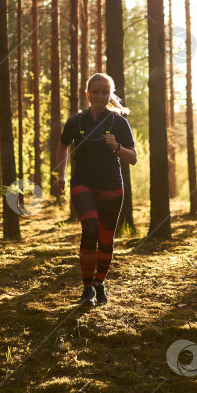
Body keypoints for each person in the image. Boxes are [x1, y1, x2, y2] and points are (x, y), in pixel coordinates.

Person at [53, 73, 138, 306]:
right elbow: (62, 147)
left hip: (112, 186)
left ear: (110, 95)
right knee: (90, 228)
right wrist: (60, 175)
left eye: (105, 92)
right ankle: (87, 288)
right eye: (96, 91)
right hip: (83, 183)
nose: (100, 95)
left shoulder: (119, 123)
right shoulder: (75, 122)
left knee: (106, 237)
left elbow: (133, 158)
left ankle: (100, 283)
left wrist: (116, 146)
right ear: (88, 94)